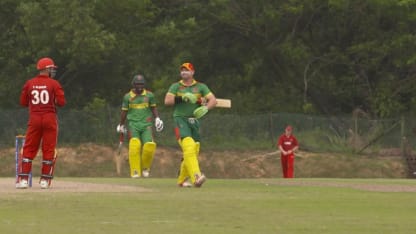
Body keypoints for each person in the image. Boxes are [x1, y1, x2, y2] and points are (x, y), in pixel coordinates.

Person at [164, 62, 216, 188]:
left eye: (186, 70)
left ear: (192, 72)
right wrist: (182, 98)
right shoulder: (176, 87)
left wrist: (206, 108)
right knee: (188, 146)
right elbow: (167, 101)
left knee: (193, 150)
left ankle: (181, 180)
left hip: (194, 122)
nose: (184, 72)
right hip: (180, 120)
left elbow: (213, 100)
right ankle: (196, 177)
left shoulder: (201, 87)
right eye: (182, 70)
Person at [17, 57, 66, 189]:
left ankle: (23, 180)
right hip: (49, 118)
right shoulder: (54, 84)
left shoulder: (29, 83)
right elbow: (62, 103)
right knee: (48, 148)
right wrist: (53, 101)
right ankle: (44, 180)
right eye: (51, 68)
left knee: (29, 148)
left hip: (34, 118)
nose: (52, 71)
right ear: (45, 69)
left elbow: (22, 102)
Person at [117, 74, 164, 178]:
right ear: (133, 84)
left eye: (142, 84)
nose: (140, 86)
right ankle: (135, 171)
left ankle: (145, 168)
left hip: (146, 125)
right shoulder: (127, 97)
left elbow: (153, 108)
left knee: (149, 146)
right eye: (137, 84)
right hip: (133, 125)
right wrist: (121, 125)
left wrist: (157, 118)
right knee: (135, 144)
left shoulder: (149, 95)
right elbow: (124, 112)